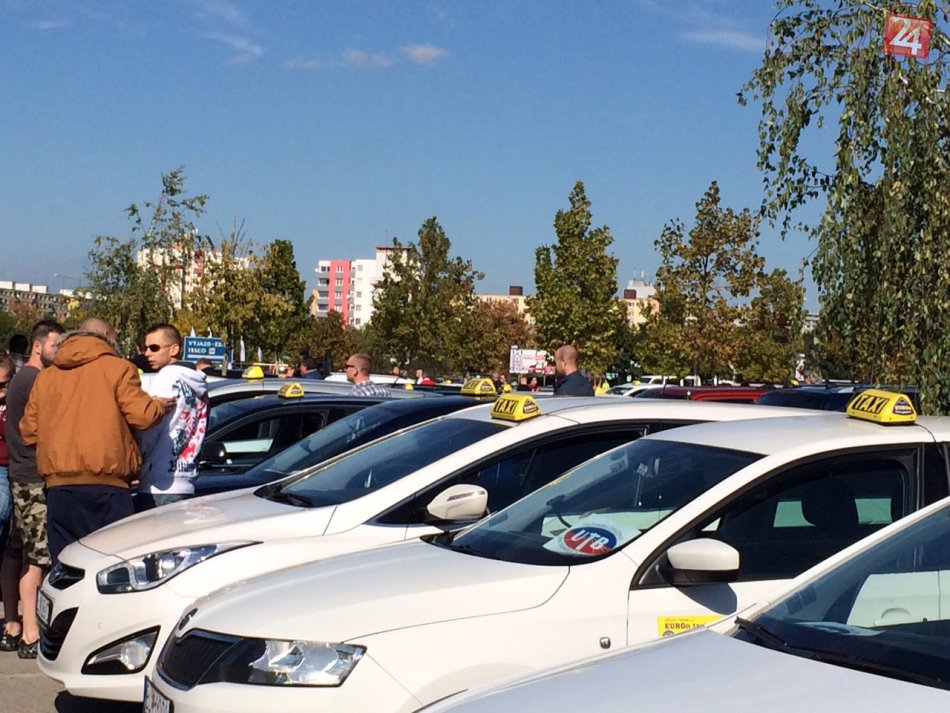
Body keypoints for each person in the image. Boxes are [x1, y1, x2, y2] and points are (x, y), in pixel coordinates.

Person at [20, 318, 172, 568]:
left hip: (58, 488)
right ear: (106, 336)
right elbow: (143, 416)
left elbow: (29, 431)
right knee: (111, 569)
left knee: (66, 569)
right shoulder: (119, 369)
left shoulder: (46, 377)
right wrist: (159, 405)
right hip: (107, 486)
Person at [4, 318, 64, 658]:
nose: (60, 351)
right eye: (55, 345)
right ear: (38, 346)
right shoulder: (32, 380)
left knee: (30, 553)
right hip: (30, 476)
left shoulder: (27, 378)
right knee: (38, 557)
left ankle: (26, 628)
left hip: (27, 475)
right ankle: (30, 633)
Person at [136, 324, 210, 511]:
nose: (147, 353)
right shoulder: (199, 385)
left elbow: (150, 428)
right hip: (186, 477)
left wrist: (137, 460)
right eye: (146, 348)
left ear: (174, 349)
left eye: (154, 348)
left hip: (158, 481)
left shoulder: (166, 377)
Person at [0, 354, 22, 653]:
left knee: (14, 546)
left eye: (5, 384)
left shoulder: (15, 402)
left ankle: (12, 619)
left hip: (14, 469)